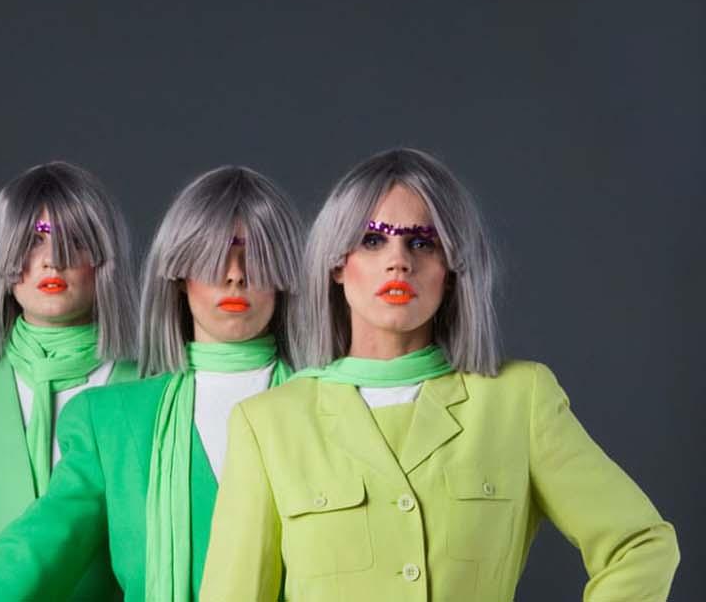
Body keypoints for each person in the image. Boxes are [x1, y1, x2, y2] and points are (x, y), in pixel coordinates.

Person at [197, 149, 680, 601]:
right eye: (372, 240)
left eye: (422, 242)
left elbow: (641, 543)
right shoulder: (270, 423)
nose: (398, 261)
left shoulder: (517, 400)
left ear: (450, 267)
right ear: (338, 264)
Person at [0, 166, 303, 601]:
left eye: (257, 255)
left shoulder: (334, 407)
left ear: (286, 272)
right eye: (213, 255)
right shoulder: (111, 419)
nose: (234, 274)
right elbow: (37, 547)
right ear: (178, 273)